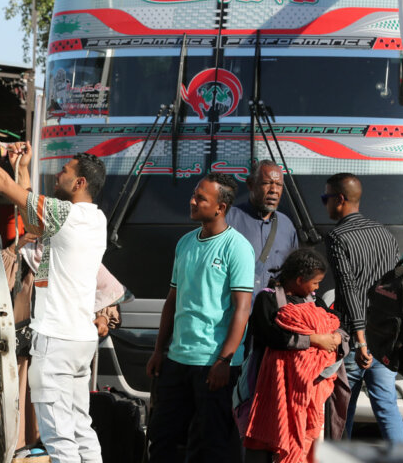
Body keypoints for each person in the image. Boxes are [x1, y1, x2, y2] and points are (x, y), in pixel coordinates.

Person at [0, 137, 106, 463]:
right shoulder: (95, 218)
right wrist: (23, 169)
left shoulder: (64, 213)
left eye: (65, 171)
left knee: (58, 439)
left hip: (56, 341)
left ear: (80, 182)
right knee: (81, 427)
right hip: (80, 341)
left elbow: (1, 184)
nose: (58, 175)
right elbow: (31, 216)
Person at [146, 172, 255, 462]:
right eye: (194, 194)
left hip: (214, 366)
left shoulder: (238, 248)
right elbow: (172, 301)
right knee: (162, 438)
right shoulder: (185, 243)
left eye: (200, 198)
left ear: (220, 208)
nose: (192, 200)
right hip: (177, 361)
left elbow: (242, 309)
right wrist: (159, 350)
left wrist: (224, 360)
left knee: (211, 445)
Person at [321, 173, 403, 443]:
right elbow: (395, 287)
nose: (324, 204)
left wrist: (360, 341)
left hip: (354, 338)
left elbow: (348, 288)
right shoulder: (385, 233)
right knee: (387, 407)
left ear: (340, 199)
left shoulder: (337, 237)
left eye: (326, 198)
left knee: (342, 411)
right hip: (384, 337)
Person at [242, 248, 342, 463]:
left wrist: (337, 338)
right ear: (299, 279)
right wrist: (314, 339)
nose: (317, 287)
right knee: (269, 435)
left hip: (305, 388)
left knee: (303, 436)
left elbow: (333, 320)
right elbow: (272, 336)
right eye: (315, 283)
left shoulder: (313, 301)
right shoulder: (267, 300)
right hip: (271, 385)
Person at [226, 159, 299, 294]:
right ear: (250, 184)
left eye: (279, 185)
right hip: (238, 309)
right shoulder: (228, 219)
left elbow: (293, 273)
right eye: (267, 183)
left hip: (273, 310)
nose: (274, 190)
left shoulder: (287, 225)